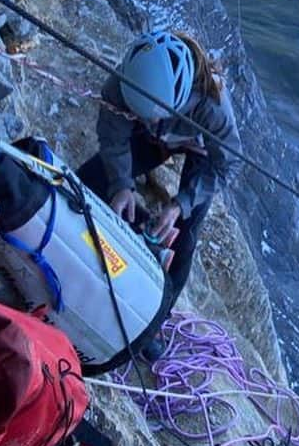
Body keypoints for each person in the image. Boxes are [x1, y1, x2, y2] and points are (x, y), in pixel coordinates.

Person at [78, 29, 239, 306]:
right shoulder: (124, 82)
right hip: (151, 136)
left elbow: (226, 164)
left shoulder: (213, 106)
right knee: (88, 181)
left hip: (198, 148)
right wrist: (121, 185)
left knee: (184, 237)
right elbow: (113, 134)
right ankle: (135, 229)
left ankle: (157, 314)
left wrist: (181, 204)